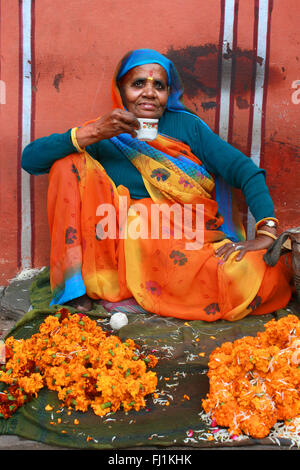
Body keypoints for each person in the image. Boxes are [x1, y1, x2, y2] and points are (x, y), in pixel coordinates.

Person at [21, 48, 294, 321]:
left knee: (265, 272)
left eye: (159, 86)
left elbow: (245, 170)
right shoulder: (105, 130)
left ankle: (147, 295)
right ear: (120, 89)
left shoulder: (188, 127)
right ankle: (83, 287)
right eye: (138, 84)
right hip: (120, 245)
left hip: (185, 241)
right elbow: (31, 160)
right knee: (66, 163)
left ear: (169, 93)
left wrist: (266, 232)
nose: (149, 93)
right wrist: (92, 133)